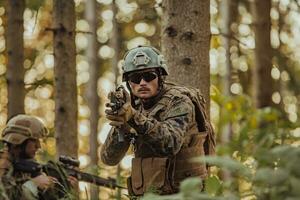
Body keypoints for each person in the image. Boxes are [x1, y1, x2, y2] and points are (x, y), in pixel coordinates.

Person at [100, 45, 215, 197]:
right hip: (149, 194)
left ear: (160, 76)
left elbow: (171, 144)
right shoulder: (134, 107)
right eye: (135, 78)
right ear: (128, 83)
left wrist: (133, 118)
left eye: (149, 76)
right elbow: (109, 158)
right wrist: (122, 127)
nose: (142, 82)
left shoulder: (179, 101)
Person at [0, 114, 77, 200]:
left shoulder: (27, 167)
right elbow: (5, 195)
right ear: (19, 140)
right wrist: (33, 185)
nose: (38, 146)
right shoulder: (3, 165)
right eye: (34, 141)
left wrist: (61, 190)